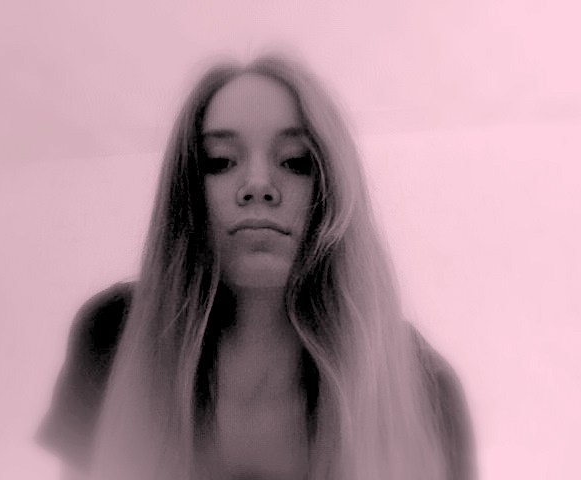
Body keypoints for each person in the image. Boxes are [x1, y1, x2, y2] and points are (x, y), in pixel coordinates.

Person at [37, 54, 476, 480]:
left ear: (331, 188)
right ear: (188, 190)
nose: (258, 185)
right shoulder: (111, 338)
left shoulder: (423, 389)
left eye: (295, 162)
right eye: (220, 162)